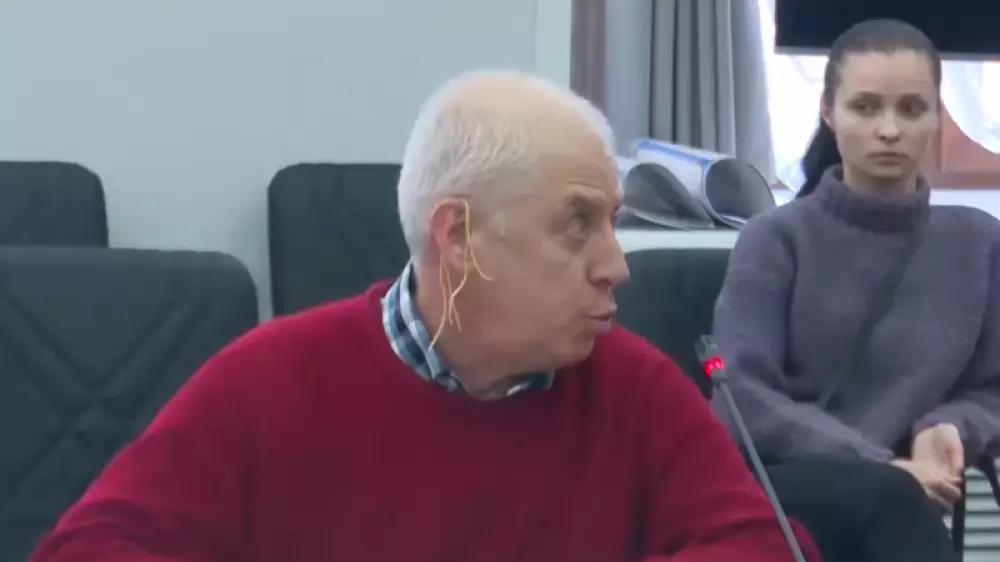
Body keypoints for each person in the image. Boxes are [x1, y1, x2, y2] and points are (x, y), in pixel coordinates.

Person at [30, 70, 819, 562]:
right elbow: (90, 547)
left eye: (612, 223)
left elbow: (766, 545)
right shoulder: (273, 379)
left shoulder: (631, 384)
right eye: (577, 225)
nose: (617, 264)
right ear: (457, 236)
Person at [712, 18, 1000, 562]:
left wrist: (949, 426)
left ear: (938, 116)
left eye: (911, 109)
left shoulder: (980, 243)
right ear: (829, 112)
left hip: (911, 503)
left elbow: (994, 389)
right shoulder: (775, 239)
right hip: (790, 493)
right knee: (890, 501)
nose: (889, 130)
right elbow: (741, 397)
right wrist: (880, 467)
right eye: (865, 108)